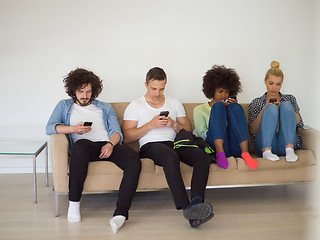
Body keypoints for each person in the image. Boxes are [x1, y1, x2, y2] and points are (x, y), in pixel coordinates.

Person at [46, 68, 141, 234]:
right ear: (73, 90)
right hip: (84, 147)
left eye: (88, 91)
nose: (85, 95)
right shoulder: (64, 105)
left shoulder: (105, 107)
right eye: (81, 91)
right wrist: (73, 129)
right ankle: (74, 204)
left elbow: (116, 132)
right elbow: (50, 127)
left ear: (94, 90)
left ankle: (121, 213)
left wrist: (111, 144)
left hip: (106, 145)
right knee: (81, 145)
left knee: (133, 159)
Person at [122, 67, 214, 228]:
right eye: (153, 88)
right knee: (170, 158)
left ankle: (197, 202)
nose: (157, 93)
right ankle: (187, 208)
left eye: (161, 89)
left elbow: (187, 129)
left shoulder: (174, 102)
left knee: (202, 157)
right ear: (146, 84)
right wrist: (150, 125)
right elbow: (127, 138)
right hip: (151, 146)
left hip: (176, 143)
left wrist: (173, 124)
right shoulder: (135, 105)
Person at [193, 65, 258, 170]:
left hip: (234, 147)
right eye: (220, 91)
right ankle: (220, 153)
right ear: (212, 90)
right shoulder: (199, 110)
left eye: (227, 92)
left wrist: (230, 111)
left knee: (235, 107)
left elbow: (237, 130)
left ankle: (245, 153)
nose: (224, 95)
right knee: (218, 106)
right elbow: (202, 136)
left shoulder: (230, 108)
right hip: (214, 146)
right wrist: (219, 115)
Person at [248, 61, 303, 162]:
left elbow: (299, 122)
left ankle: (290, 149)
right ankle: (267, 151)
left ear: (282, 83)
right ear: (265, 81)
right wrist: (265, 108)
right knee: (271, 108)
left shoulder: (290, 99)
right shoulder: (256, 102)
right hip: (264, 143)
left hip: (285, 142)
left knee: (286, 105)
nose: (274, 88)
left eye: (278, 84)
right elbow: (253, 130)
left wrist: (284, 107)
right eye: (271, 83)